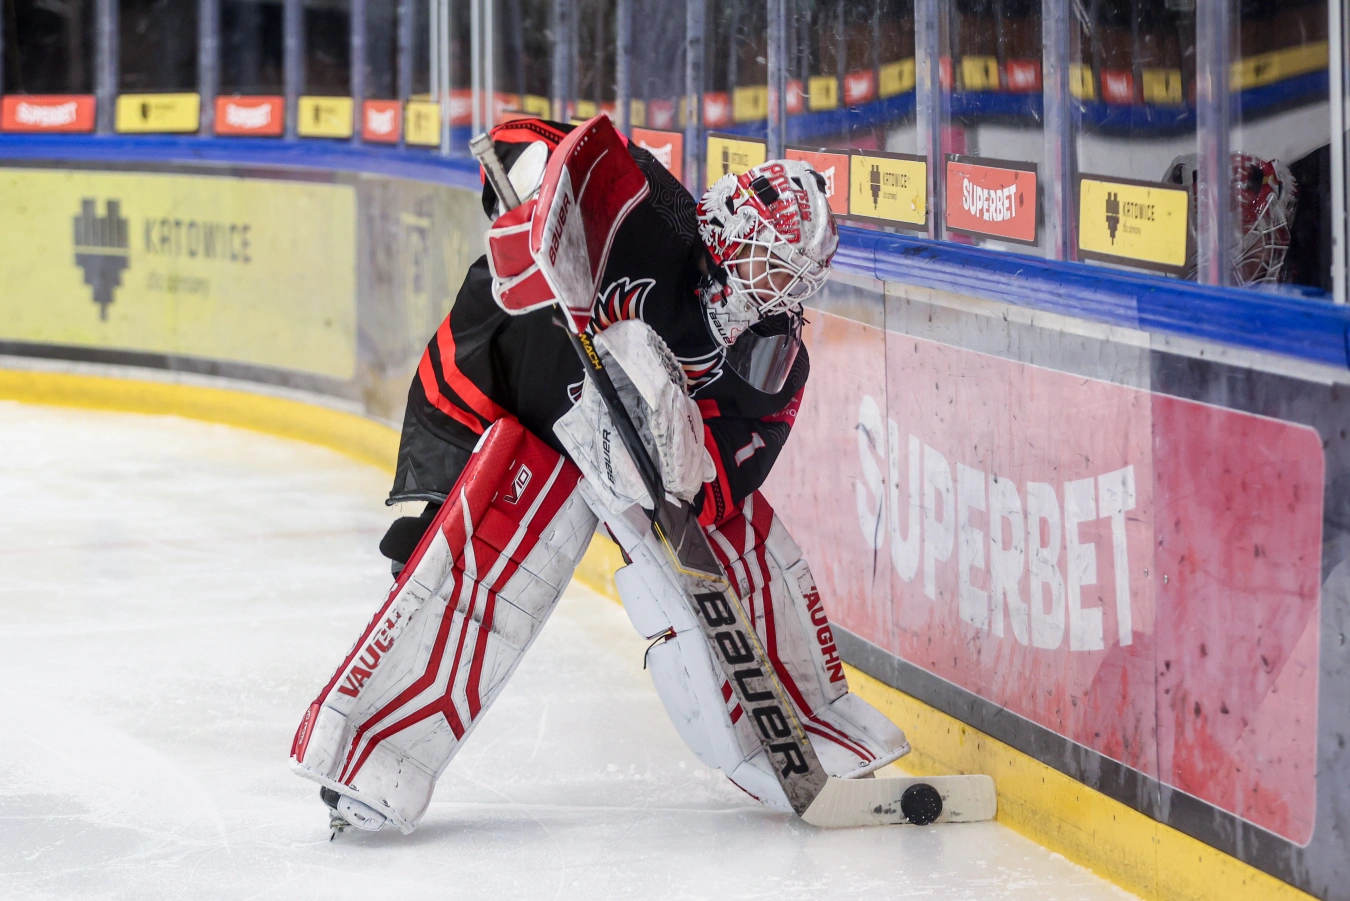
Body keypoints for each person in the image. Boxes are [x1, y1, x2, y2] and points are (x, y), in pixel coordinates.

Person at [289, 118, 909, 834]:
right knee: (460, 570)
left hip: (611, 454)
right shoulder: (645, 200)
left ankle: (812, 731)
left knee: (740, 548)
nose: (777, 291)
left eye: (794, 278)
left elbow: (720, 488)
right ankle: (368, 759)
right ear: (732, 229)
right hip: (497, 388)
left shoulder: (772, 360)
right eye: (772, 265)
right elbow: (522, 144)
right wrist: (530, 201)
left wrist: (679, 461)